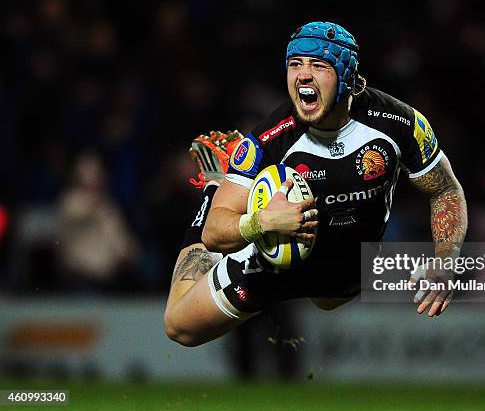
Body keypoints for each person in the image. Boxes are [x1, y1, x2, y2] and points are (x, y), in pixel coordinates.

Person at [164, 22, 468, 347]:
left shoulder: (400, 124)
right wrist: (261, 221)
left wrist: (446, 260)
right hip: (274, 266)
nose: (303, 75)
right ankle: (215, 184)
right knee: (179, 327)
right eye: (295, 65)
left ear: (347, 75)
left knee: (327, 300)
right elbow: (214, 232)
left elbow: (445, 189)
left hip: (347, 275)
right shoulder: (268, 142)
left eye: (318, 65)